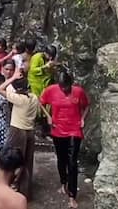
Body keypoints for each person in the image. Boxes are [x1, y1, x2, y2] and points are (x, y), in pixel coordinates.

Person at [40, 70, 89, 209]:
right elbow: (41, 102)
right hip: (58, 129)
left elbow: (86, 106)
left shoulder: (78, 92)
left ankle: (72, 196)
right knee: (61, 159)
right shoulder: (51, 90)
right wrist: (48, 117)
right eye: (62, 87)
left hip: (74, 130)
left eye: (66, 87)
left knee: (72, 162)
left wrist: (82, 119)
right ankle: (63, 183)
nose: (64, 89)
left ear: (70, 84)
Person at [0, 69, 39, 200]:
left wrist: (12, 77)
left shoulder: (19, 99)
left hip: (17, 131)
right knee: (27, 162)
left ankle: (10, 186)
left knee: (12, 160)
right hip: (30, 131)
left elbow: (0, 89)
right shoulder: (34, 97)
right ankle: (25, 192)